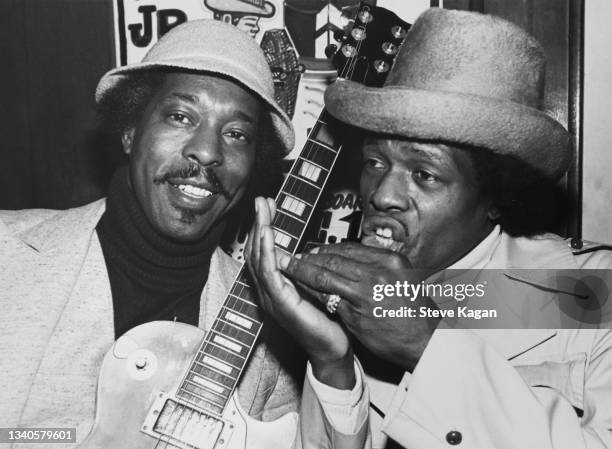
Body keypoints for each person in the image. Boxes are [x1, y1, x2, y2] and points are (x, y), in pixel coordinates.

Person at [247, 8, 612, 449]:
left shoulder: (588, 293)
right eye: (374, 162)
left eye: (424, 174)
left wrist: (428, 347)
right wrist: (332, 361)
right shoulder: (343, 294)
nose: (382, 195)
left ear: (495, 196)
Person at [0, 19, 306, 446]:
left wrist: (335, 362)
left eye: (236, 134)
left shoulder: (271, 328)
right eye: (181, 116)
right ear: (130, 131)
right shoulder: (7, 255)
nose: (208, 151)